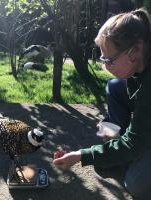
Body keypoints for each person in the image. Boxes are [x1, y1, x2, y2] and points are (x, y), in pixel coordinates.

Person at [53, 8, 151, 199]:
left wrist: (81, 155)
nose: (105, 66)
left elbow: (134, 142)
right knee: (114, 86)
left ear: (136, 50)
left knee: (136, 184)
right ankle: (116, 144)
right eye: (103, 58)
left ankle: (126, 154)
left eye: (110, 59)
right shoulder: (139, 63)